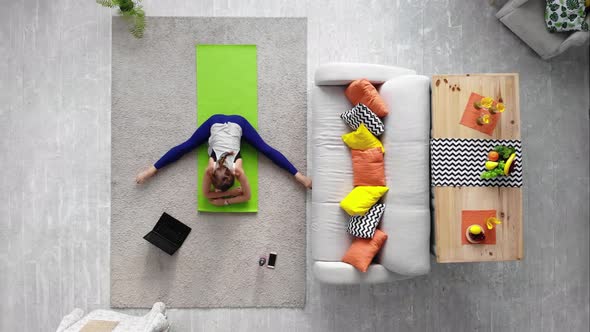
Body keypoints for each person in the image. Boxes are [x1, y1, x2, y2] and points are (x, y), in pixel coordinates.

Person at [136, 114, 312, 206]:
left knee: (265, 149)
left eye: (216, 188)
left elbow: (245, 196)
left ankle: (300, 177)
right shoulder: (212, 170)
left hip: (236, 124)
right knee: (186, 146)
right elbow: (212, 195)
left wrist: (225, 199)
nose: (215, 190)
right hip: (218, 122)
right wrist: (228, 195)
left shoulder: (236, 170)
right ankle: (151, 170)